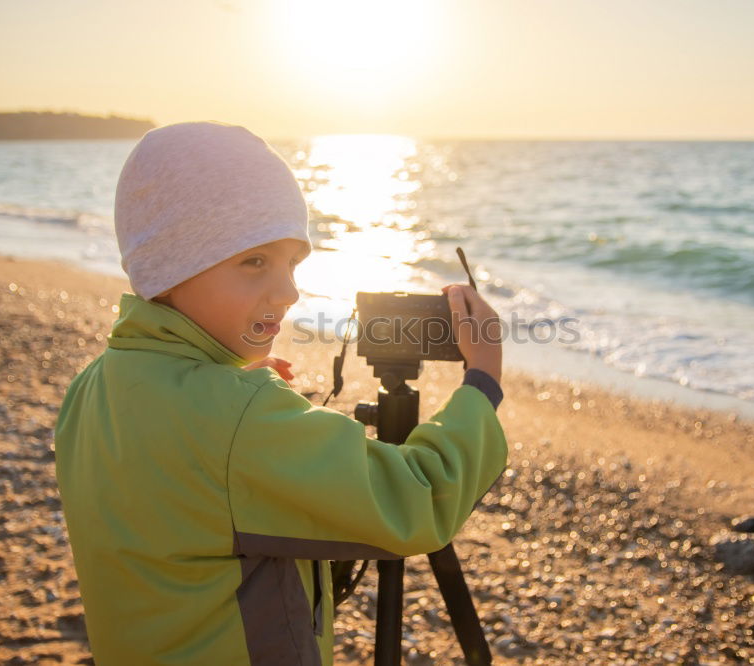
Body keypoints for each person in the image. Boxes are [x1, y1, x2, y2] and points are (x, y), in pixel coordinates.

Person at [53, 121, 507, 665]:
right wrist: (483, 379)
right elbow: (417, 501)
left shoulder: (93, 387)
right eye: (254, 261)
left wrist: (227, 380)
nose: (289, 291)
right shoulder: (236, 419)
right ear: (171, 266)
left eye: (293, 262)